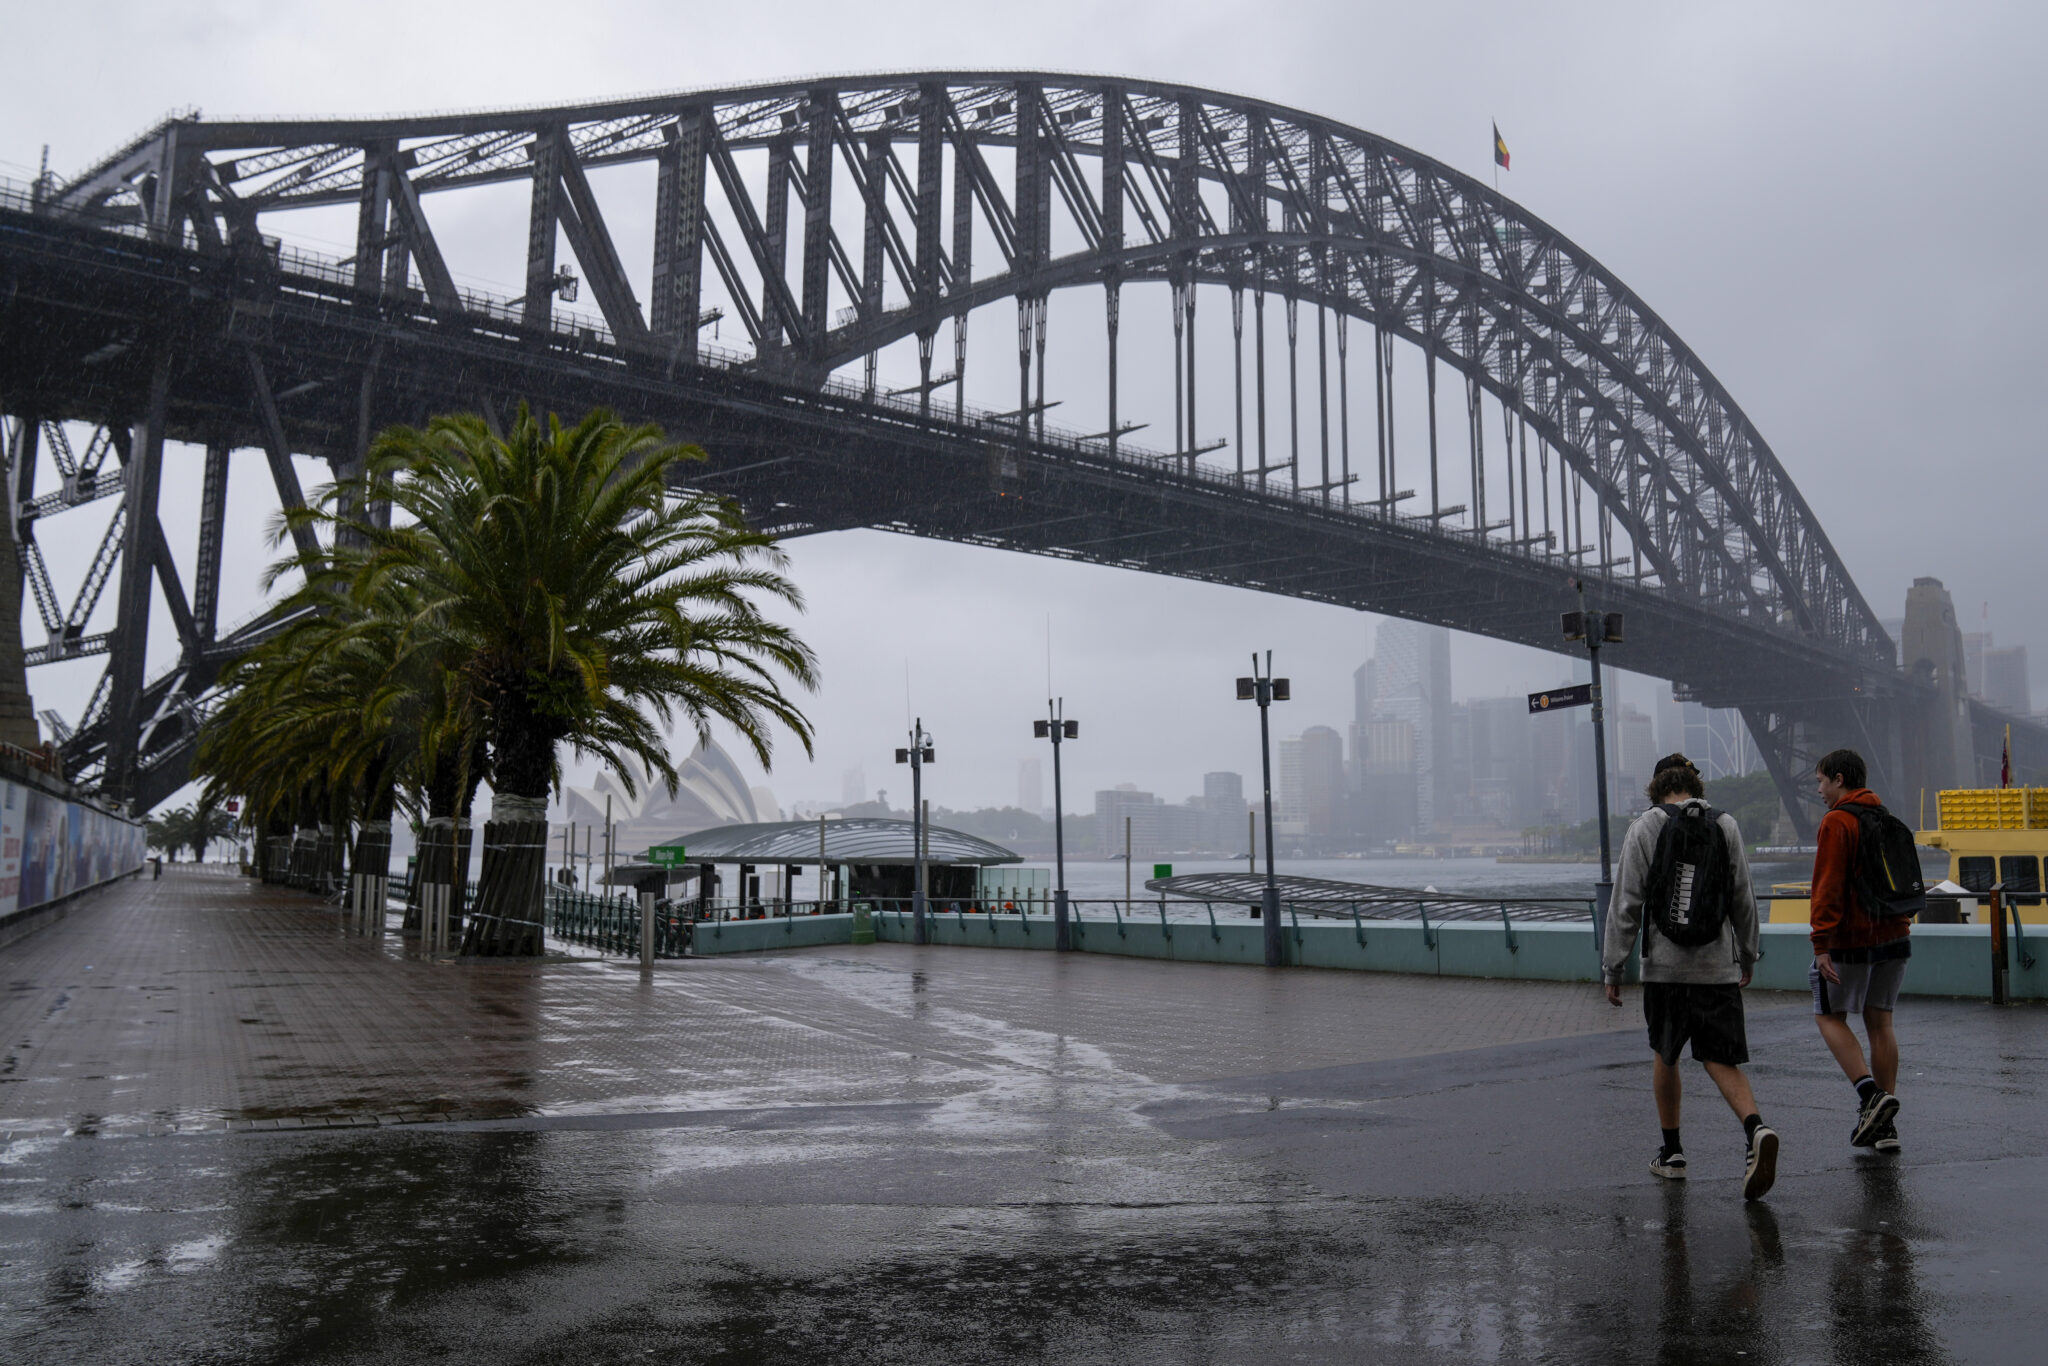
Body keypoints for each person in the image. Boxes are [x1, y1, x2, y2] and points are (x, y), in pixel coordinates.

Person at [1604, 753, 1779, 1200]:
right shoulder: (1725, 825)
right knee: (1722, 1059)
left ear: (1656, 787)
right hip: (1717, 966)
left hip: (1664, 970)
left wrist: (1613, 965)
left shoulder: (1645, 827)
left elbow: (1626, 902)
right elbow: (1743, 896)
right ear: (1695, 784)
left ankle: (1673, 1153)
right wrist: (1748, 954)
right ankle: (1755, 1130)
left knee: (1667, 1055)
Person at [1808, 747, 1908, 1153]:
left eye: (1820, 781)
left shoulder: (1837, 821)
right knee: (1881, 1023)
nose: (1818, 789)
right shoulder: (1885, 817)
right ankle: (1884, 1129)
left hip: (1852, 938)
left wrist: (1821, 943)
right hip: (1896, 934)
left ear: (1838, 779)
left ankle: (1870, 1097)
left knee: (1828, 1015)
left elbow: (1827, 885)